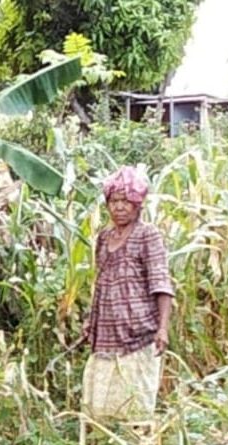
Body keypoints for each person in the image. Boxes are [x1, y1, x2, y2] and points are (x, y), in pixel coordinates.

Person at [81, 165, 176, 423]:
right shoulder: (104, 238)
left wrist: (163, 328)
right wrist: (91, 320)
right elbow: (100, 282)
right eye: (114, 201)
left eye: (126, 201)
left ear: (137, 204)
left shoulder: (148, 235)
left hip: (137, 333)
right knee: (100, 407)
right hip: (107, 333)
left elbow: (161, 283)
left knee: (135, 408)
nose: (119, 207)